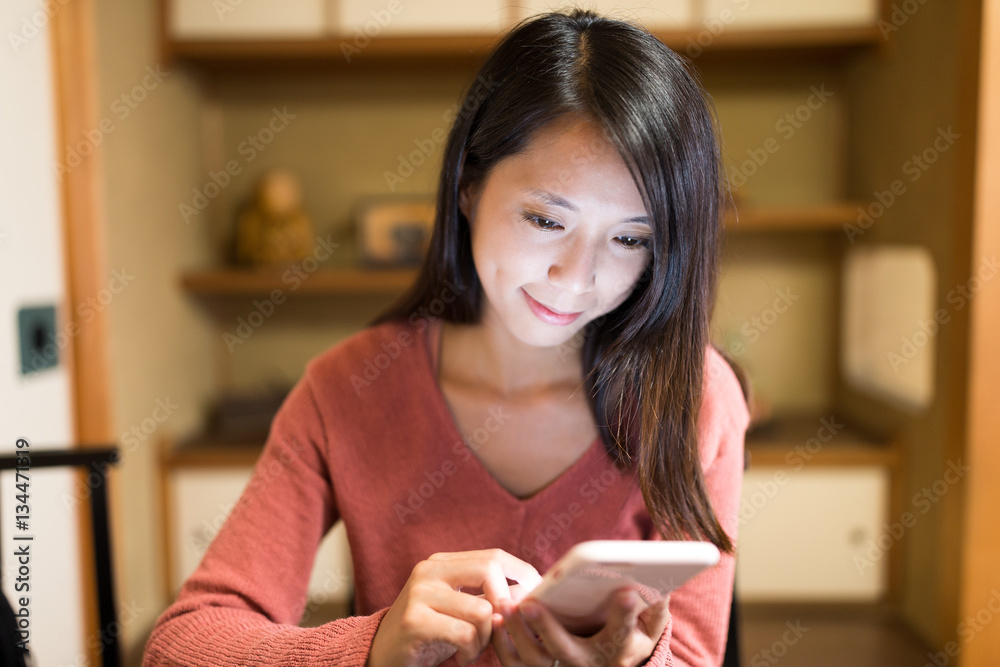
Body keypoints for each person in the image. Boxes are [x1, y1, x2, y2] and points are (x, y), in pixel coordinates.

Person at [142, 8, 750, 667]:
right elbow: (180, 646)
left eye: (631, 238)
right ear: (467, 186)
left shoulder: (697, 396)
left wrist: (636, 662)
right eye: (546, 218)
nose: (576, 278)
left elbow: (693, 653)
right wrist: (371, 646)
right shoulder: (348, 391)